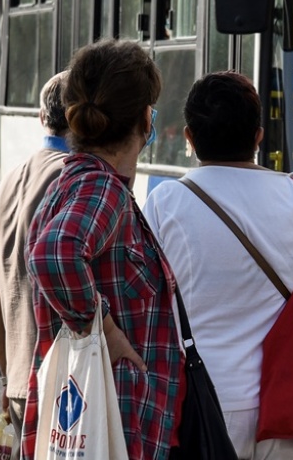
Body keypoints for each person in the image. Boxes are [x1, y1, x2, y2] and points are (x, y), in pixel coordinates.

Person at [143, 71, 293, 460]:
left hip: (207, 403)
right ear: (258, 136)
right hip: (292, 404)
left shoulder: (164, 202)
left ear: (189, 137)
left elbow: (152, 312)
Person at [20, 40, 182, 460]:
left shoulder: (77, 183)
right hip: (112, 428)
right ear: (146, 120)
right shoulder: (101, 187)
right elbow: (54, 254)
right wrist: (106, 333)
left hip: (95, 423)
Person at [0, 70, 69, 444]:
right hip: (67, 383)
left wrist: (7, 377)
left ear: (40, 118)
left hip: (19, 381)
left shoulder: (6, 183)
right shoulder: (74, 179)